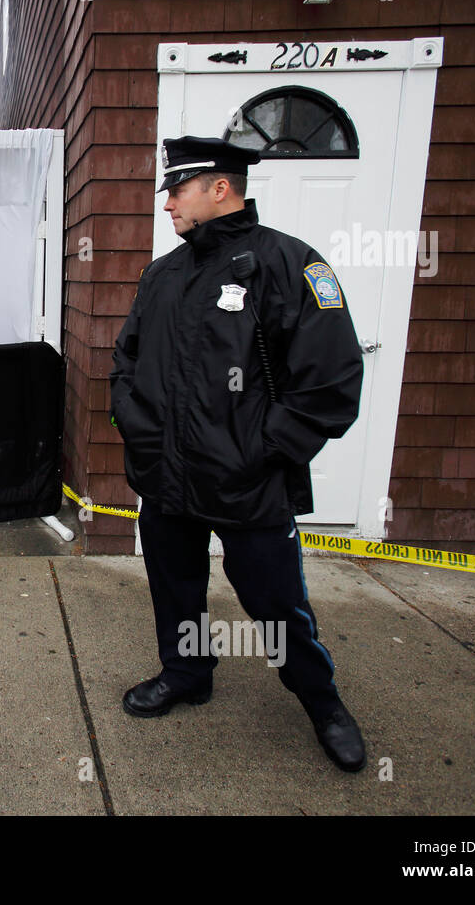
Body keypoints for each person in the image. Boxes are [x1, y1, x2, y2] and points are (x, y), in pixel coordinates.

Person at [109, 135, 367, 772]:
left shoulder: (290, 264)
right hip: (168, 481)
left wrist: (265, 450)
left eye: (178, 189)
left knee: (276, 604)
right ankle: (187, 673)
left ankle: (323, 702)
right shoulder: (162, 275)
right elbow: (127, 363)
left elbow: (332, 379)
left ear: (218, 188)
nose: (167, 203)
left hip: (247, 483)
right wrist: (141, 433)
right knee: (175, 587)